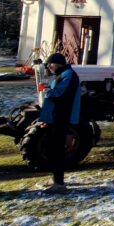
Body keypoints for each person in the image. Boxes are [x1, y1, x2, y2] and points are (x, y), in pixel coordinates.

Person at [38, 53, 81, 194]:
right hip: (56, 118)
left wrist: (46, 91)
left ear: (58, 63)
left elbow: (59, 94)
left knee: (57, 150)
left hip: (62, 119)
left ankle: (59, 183)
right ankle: (56, 179)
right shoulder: (63, 74)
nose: (49, 67)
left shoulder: (68, 75)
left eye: (50, 64)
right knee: (52, 149)